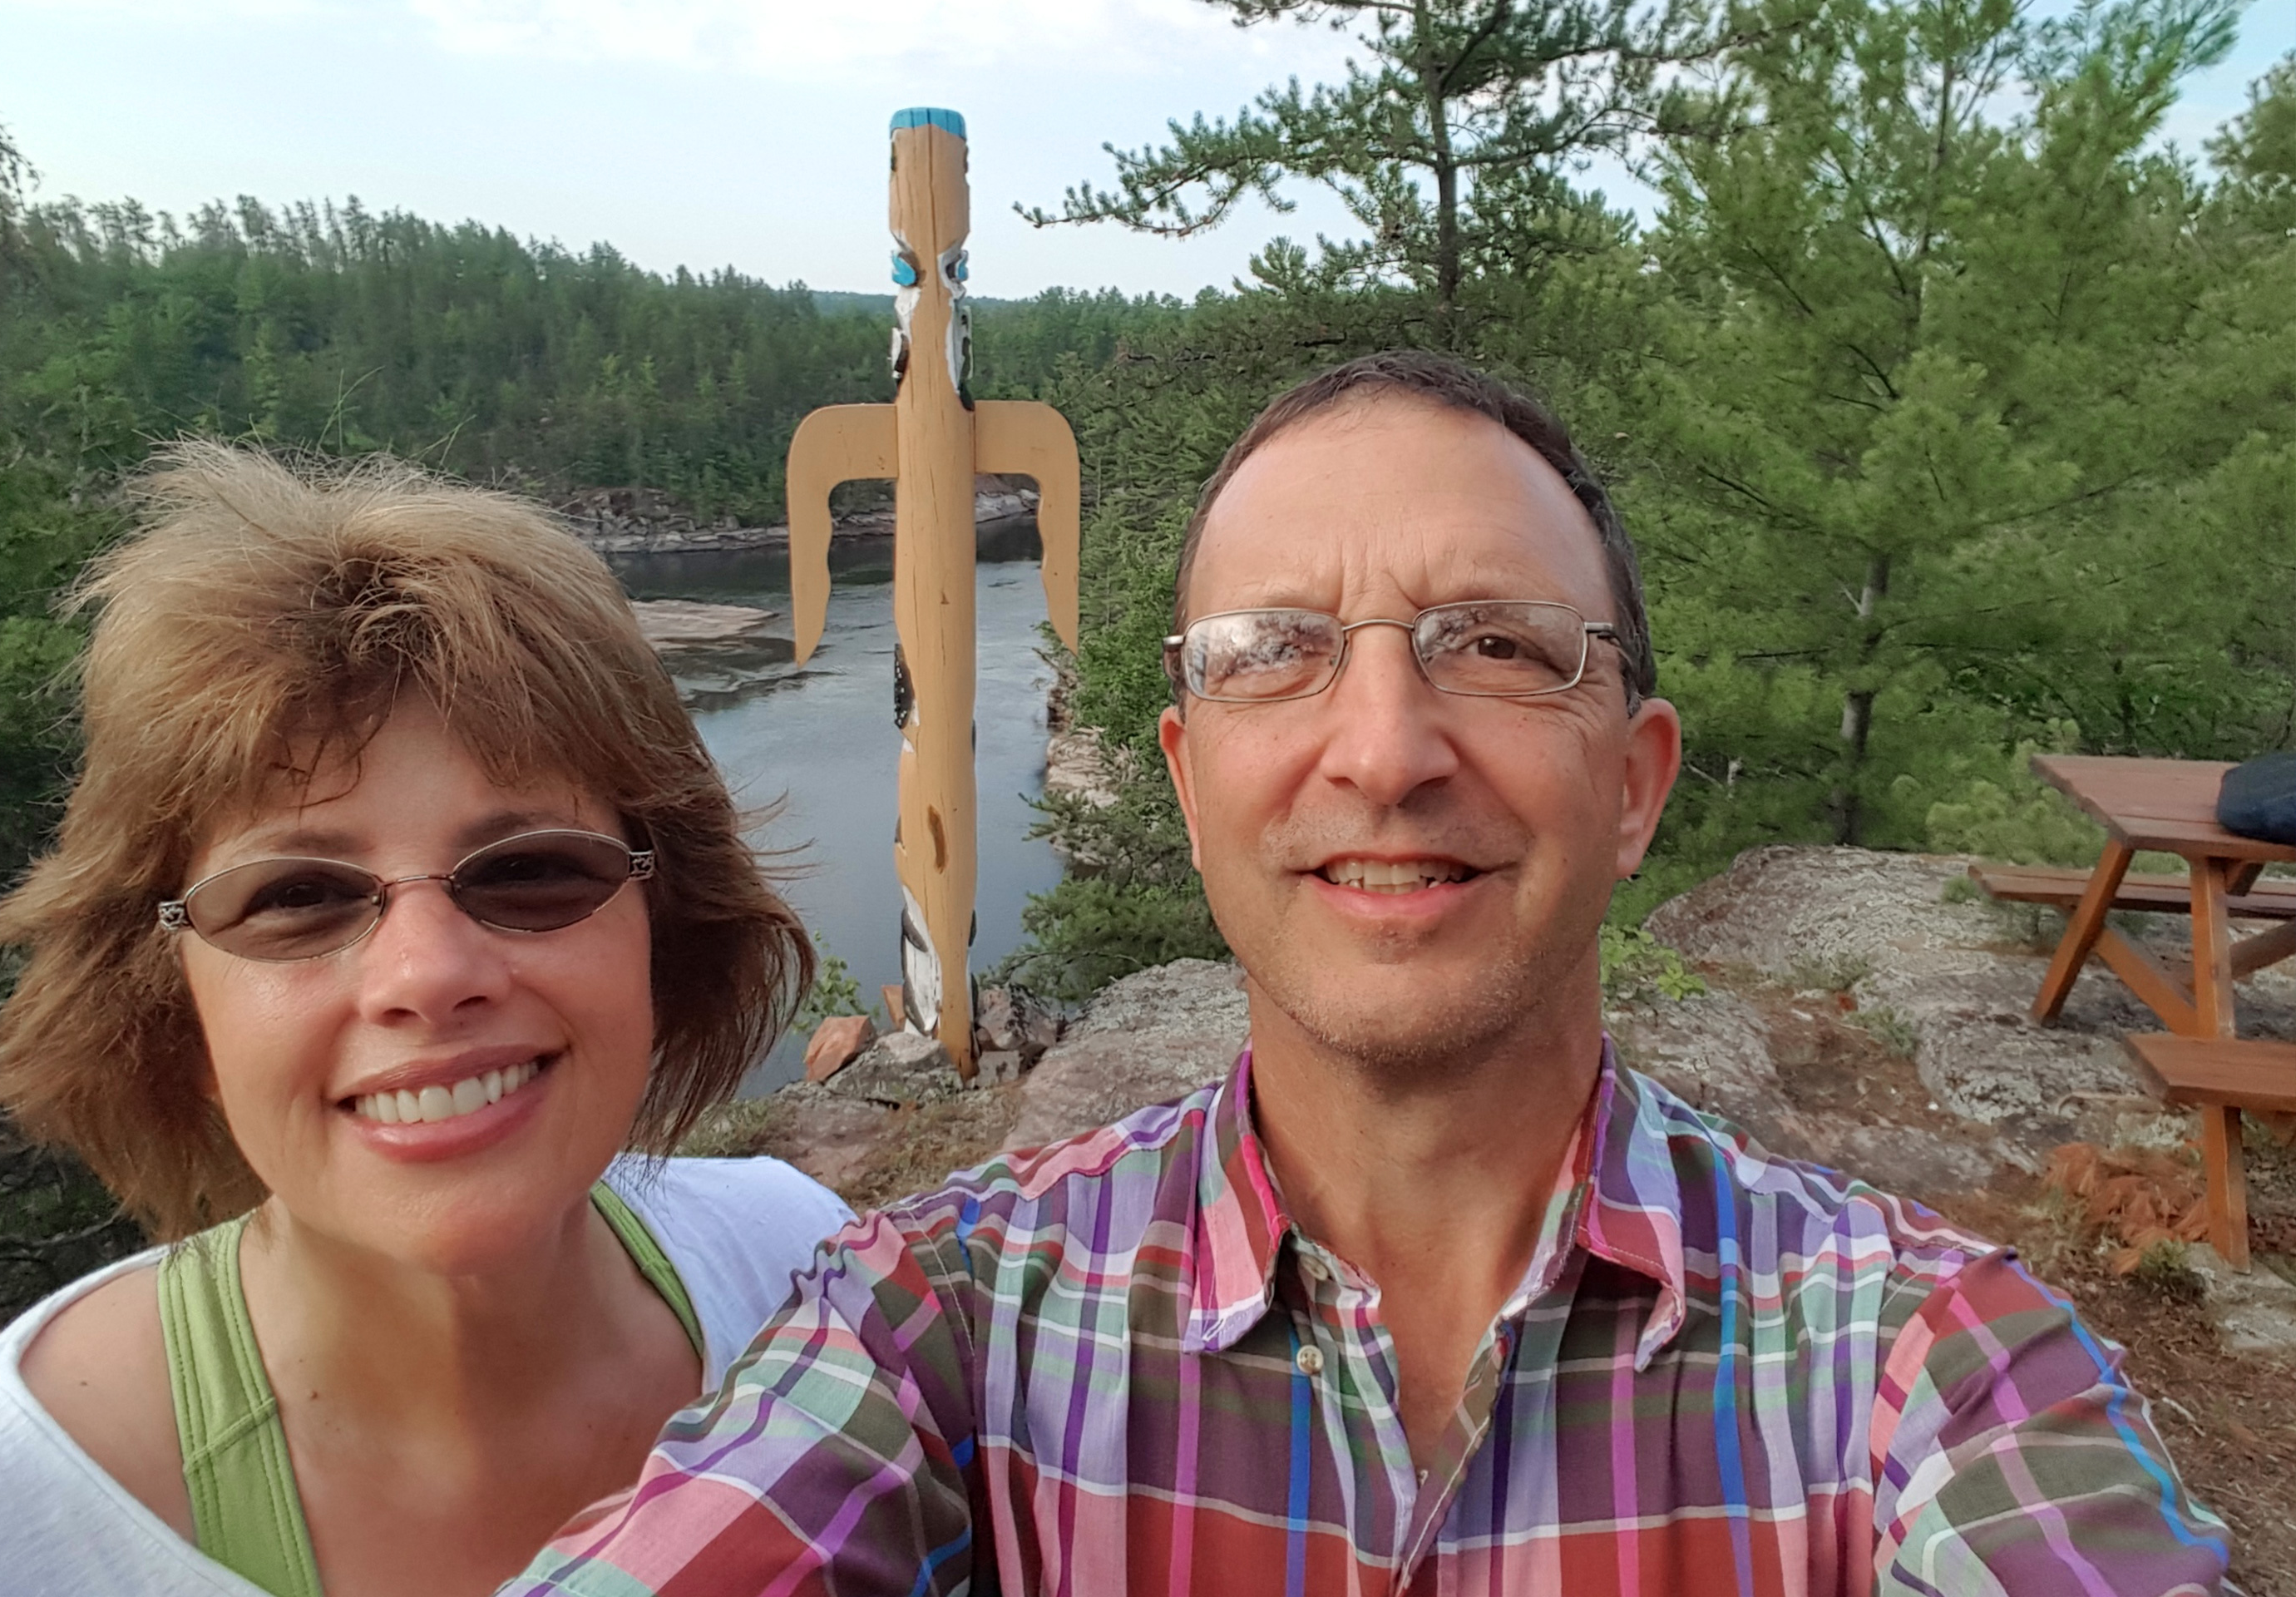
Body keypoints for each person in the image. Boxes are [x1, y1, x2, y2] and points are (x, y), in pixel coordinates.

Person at [505, 352, 2230, 1596]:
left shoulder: (1925, 1362)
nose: (1387, 749)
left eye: (1495, 644)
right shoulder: (936, 1331)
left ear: (1633, 783)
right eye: (1281, 654)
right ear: (1187, 781)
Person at [0, 443, 854, 1597]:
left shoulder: (796, 1270)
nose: (428, 973)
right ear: (173, 1009)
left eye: (532, 872)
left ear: (663, 936)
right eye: (297, 897)